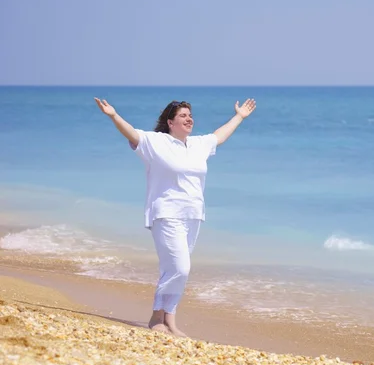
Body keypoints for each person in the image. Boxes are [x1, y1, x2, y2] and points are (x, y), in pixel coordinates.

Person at [93, 96, 256, 337]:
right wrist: (113, 115)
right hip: (166, 213)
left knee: (177, 269)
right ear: (170, 122)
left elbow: (219, 136)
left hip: (193, 215)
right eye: (183, 115)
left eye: (190, 115)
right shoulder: (156, 142)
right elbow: (132, 134)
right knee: (180, 268)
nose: (189, 118)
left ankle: (169, 320)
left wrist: (239, 117)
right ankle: (157, 316)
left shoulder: (199, 144)